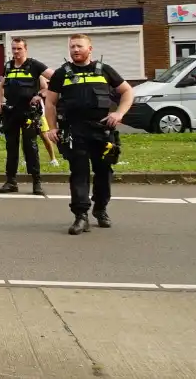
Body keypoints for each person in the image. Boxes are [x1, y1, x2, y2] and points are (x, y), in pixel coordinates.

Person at [43, 34, 134, 236]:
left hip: (102, 131)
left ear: (90, 49)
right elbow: (50, 102)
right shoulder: (62, 74)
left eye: (79, 46)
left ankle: (100, 209)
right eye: (72, 46)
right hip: (75, 131)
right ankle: (80, 216)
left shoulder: (104, 70)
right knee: (79, 173)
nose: (75, 50)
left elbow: (127, 92)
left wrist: (119, 113)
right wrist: (52, 127)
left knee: (103, 173)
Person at [0, 38, 55, 195]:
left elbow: (54, 80)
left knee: (30, 147)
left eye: (19, 49)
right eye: (13, 49)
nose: (16, 52)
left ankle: (37, 182)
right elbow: (1, 86)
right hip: (11, 112)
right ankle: (11, 182)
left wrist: (40, 95)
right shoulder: (8, 66)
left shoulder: (34, 65)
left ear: (25, 49)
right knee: (11, 148)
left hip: (28, 112)